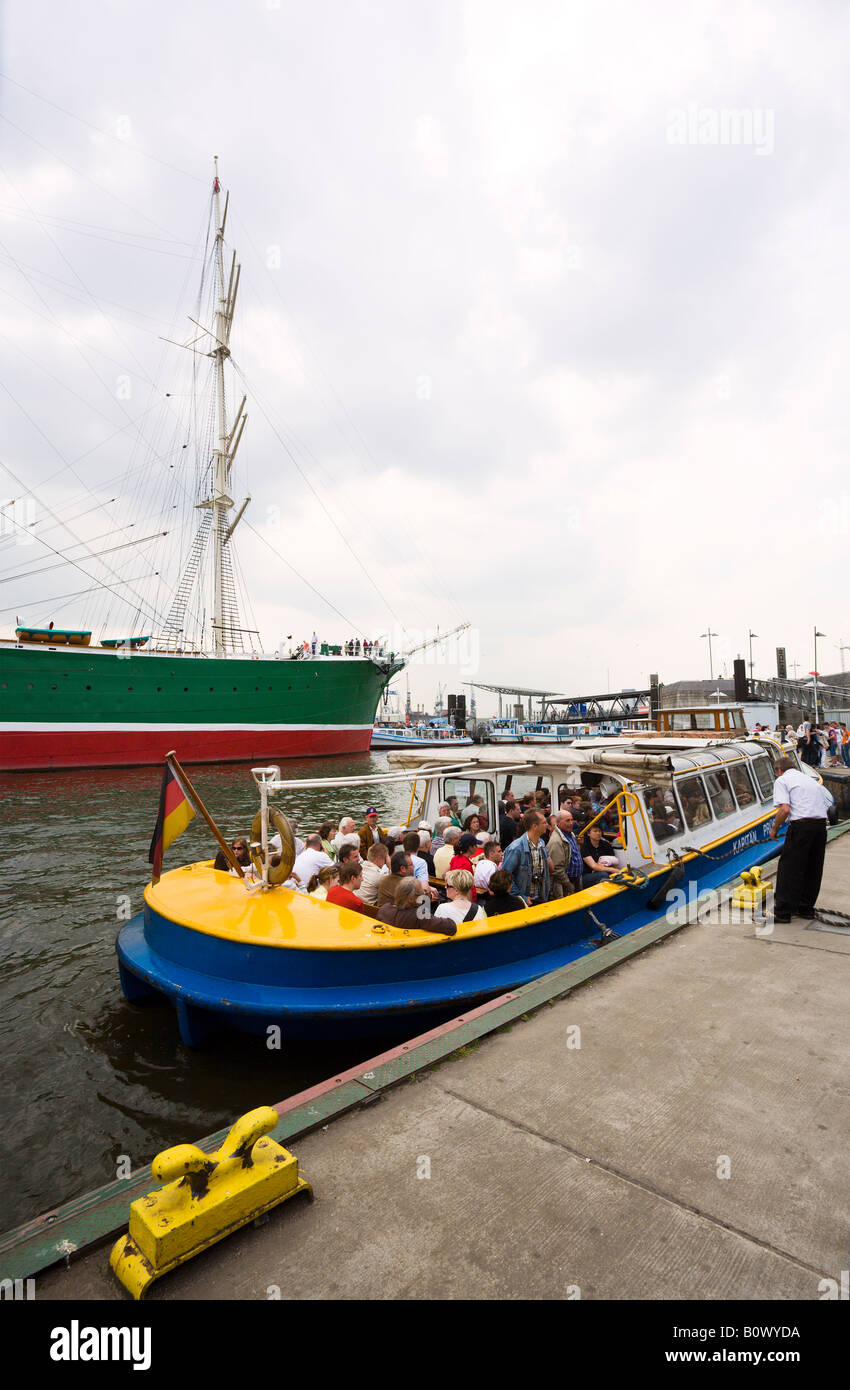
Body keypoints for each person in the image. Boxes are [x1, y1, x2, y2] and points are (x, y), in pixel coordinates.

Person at [769, 756, 834, 921]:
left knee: (789, 868)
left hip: (801, 827)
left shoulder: (782, 781)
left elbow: (784, 809)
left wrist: (775, 828)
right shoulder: (809, 780)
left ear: (779, 770)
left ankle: (783, 912)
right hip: (820, 826)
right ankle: (805, 908)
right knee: (813, 867)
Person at [501, 810, 550, 905]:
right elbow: (505, 877)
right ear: (534, 826)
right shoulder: (516, 848)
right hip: (524, 902)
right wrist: (521, 897)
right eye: (544, 822)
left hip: (540, 898)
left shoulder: (542, 843)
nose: (547, 825)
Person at [377, 877, 456, 936]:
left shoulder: (384, 909)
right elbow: (451, 926)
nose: (423, 894)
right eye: (421, 892)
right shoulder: (419, 915)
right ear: (411, 899)